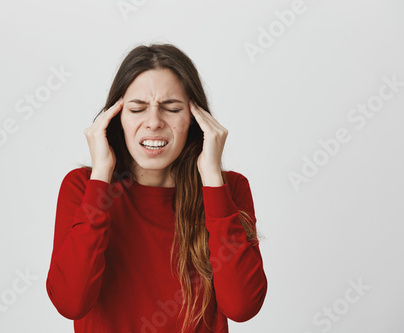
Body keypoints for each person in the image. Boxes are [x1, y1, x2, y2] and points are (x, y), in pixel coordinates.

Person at [46, 43, 267, 333]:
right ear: (116, 118)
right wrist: (100, 175)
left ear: (195, 118)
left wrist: (212, 176)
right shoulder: (83, 187)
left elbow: (242, 307)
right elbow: (70, 303)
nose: (153, 123)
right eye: (137, 109)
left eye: (172, 108)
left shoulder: (229, 188)